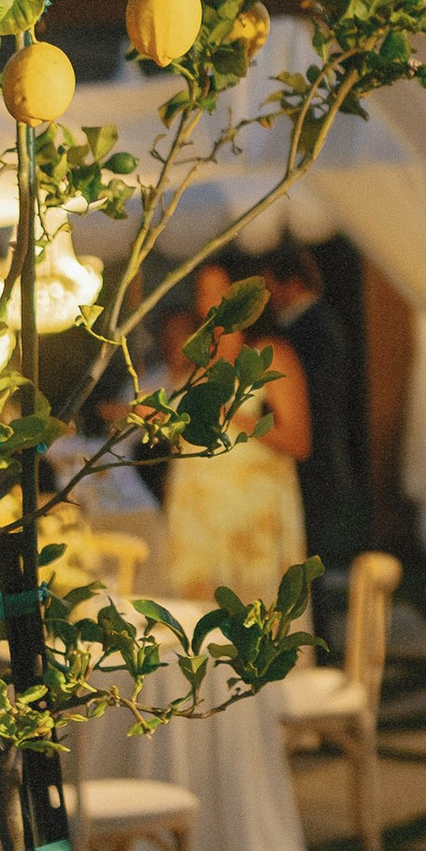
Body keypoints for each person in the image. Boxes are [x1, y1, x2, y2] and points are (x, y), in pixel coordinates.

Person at [158, 262, 311, 602]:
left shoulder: (271, 356)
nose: (211, 303)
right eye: (203, 293)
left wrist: (233, 415)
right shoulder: (197, 358)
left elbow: (300, 442)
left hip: (251, 513)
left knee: (253, 616)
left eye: (221, 292)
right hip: (196, 511)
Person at [261, 242, 371, 582]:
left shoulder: (312, 328)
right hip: (318, 454)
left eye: (271, 286)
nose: (269, 297)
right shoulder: (315, 323)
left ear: (292, 283)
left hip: (315, 458)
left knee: (307, 561)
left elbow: (313, 399)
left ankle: (315, 631)